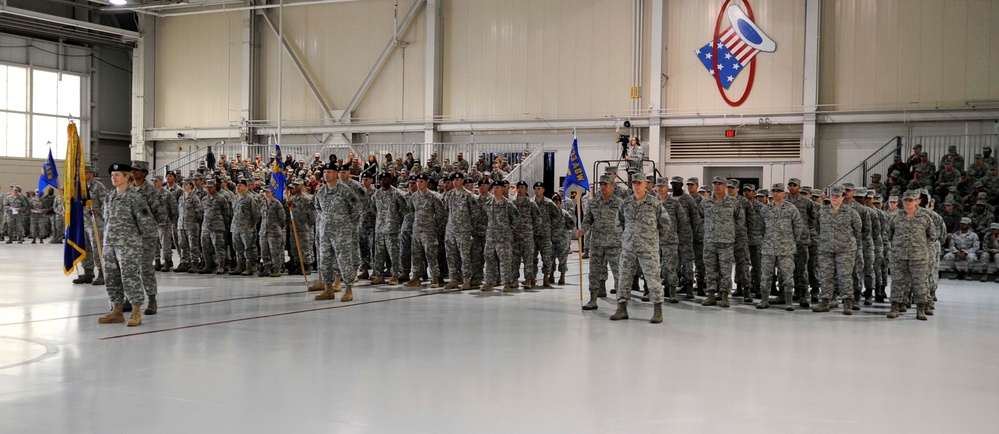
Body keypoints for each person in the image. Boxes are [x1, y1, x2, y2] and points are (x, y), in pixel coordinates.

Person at [97, 163, 154, 327]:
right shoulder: (109, 197)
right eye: (113, 175)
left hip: (128, 246)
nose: (114, 177)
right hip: (110, 244)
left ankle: (136, 311)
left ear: (127, 177)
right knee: (112, 278)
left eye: (118, 175)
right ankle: (117, 310)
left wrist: (137, 243)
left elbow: (147, 225)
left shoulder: (135, 198)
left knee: (130, 277)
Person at [611, 172, 671, 323]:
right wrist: (625, 238)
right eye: (634, 183)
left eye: (639, 182)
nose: (636, 185)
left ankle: (658, 311)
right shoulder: (625, 203)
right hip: (629, 248)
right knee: (624, 278)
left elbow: (665, 224)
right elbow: (618, 223)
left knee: (653, 279)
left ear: (646, 185)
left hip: (648, 249)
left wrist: (653, 240)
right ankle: (621, 308)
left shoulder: (654, 203)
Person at [887, 190, 939, 320]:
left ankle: (921, 309)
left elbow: (933, 235)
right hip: (899, 256)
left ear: (917, 201)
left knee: (920, 283)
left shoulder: (925, 218)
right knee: (897, 282)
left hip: (919, 256)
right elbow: (888, 234)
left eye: (911, 200)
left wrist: (921, 246)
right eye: (905, 200)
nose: (908, 202)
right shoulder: (896, 217)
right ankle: (895, 307)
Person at [812, 185, 862, 314]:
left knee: (844, 276)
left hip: (845, 249)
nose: (834, 198)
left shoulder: (851, 212)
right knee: (825, 276)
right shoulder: (822, 211)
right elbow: (817, 227)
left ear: (843, 197)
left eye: (837, 196)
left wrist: (846, 241)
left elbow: (857, 230)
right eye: (832, 196)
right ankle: (825, 301)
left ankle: (847, 303)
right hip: (826, 248)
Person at [314, 163, 361, 302]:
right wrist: (324, 219)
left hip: (341, 233)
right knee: (325, 261)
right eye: (325, 172)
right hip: (325, 233)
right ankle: (328, 289)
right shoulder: (321, 192)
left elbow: (357, 207)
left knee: (344, 260)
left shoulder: (345, 190)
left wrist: (346, 223)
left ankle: (348, 289)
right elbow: (317, 208)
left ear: (335, 174)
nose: (326, 175)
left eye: (329, 172)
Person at [756, 183, 803, 310]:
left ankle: (788, 301)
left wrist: (792, 240)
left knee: (787, 275)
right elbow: (760, 227)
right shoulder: (765, 209)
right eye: (774, 191)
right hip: (768, 248)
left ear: (784, 193)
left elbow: (798, 226)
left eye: (779, 191)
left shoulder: (791, 208)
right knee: (766, 274)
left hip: (786, 248)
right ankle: (764, 299)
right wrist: (765, 240)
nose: (776, 193)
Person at [580, 175, 623, 310]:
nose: (603, 187)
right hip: (597, 243)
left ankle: (621, 304)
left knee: (618, 274)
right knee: (594, 272)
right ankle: (593, 299)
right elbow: (588, 220)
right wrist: (583, 229)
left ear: (612, 186)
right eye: (601, 184)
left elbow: (626, 221)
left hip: (614, 244)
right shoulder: (593, 202)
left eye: (606, 184)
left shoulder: (620, 203)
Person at [701, 176, 745, 308]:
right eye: (714, 183)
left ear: (725, 186)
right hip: (709, 242)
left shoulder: (733, 202)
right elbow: (700, 217)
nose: (717, 186)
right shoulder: (705, 203)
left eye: (720, 184)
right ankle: (711, 295)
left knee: (725, 270)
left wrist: (732, 235)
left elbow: (740, 221)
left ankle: (725, 295)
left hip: (726, 242)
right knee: (710, 270)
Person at [130, 161, 166, 315]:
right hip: (131, 235)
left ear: (144, 173)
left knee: (145, 268)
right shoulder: (129, 189)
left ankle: (152, 300)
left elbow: (160, 214)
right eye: (132, 169)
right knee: (130, 268)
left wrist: (150, 227)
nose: (133, 172)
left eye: (136, 170)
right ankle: (130, 299)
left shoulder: (151, 191)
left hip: (147, 235)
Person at [403, 174, 445, 288]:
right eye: (417, 181)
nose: (419, 183)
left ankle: (435, 277)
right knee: (416, 254)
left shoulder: (433, 197)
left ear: (426, 183)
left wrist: (434, 226)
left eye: (421, 181)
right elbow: (411, 211)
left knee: (431, 254)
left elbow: (440, 214)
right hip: (417, 229)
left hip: (429, 230)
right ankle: (416, 276)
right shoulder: (414, 197)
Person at [482, 180, 519, 292]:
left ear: (503, 189)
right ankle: (489, 282)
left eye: (498, 187)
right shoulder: (488, 204)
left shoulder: (508, 204)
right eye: (494, 188)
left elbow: (516, 218)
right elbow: (485, 219)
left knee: (505, 261)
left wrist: (508, 230)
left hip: (504, 238)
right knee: (489, 259)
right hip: (490, 238)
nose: (496, 189)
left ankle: (506, 283)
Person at [371, 173, 408, 285]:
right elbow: (373, 209)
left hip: (392, 229)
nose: (383, 181)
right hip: (379, 228)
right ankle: (379, 275)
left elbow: (404, 211)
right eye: (382, 179)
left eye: (386, 179)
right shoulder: (376, 194)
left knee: (394, 253)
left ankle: (395, 275)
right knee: (379, 254)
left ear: (391, 180)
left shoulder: (397, 194)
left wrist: (395, 221)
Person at [532, 182, 560, 287]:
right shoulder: (530, 202)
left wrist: (550, 226)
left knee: (546, 257)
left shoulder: (548, 203)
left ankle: (546, 277)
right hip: (533, 234)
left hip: (545, 234)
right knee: (532, 257)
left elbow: (557, 215)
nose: (537, 190)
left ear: (543, 190)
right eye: (535, 189)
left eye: (539, 188)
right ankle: (533, 277)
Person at [174, 179, 203, 273]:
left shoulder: (194, 198)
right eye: (183, 184)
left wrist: (196, 222)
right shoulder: (181, 197)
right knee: (183, 244)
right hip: (181, 225)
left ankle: (194, 262)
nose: (184, 186)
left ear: (191, 185)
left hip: (192, 225)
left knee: (193, 245)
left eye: (186, 184)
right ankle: (184, 262)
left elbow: (199, 211)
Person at [258, 188, 287, 277]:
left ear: (272, 193)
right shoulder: (263, 203)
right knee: (264, 251)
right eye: (264, 192)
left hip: (274, 231)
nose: (266, 194)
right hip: (264, 231)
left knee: (275, 252)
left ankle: (277, 269)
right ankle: (267, 268)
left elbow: (282, 218)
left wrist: (277, 227)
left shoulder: (277, 204)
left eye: (267, 192)